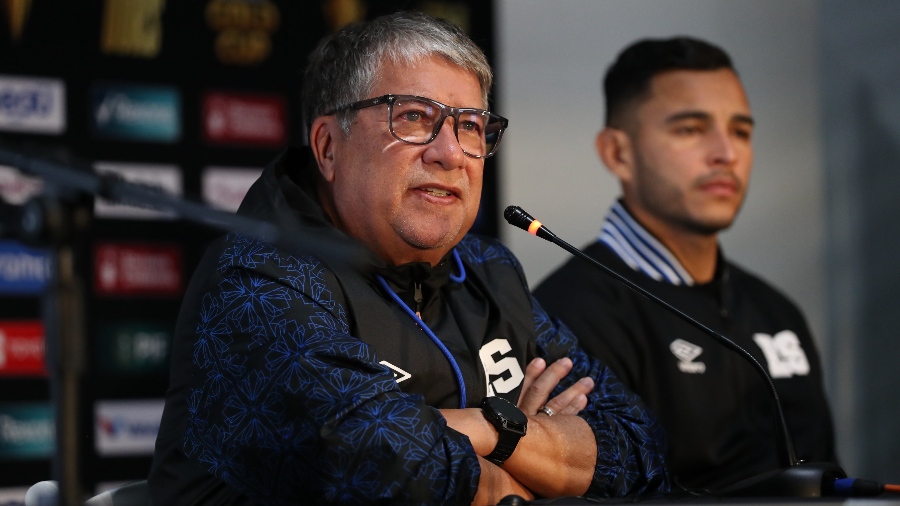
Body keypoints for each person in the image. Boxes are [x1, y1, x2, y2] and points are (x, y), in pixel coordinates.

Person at [148, 12, 669, 505]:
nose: (449, 153)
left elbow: (638, 451)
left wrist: (476, 434)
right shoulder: (255, 278)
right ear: (328, 147)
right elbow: (384, 464)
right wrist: (515, 432)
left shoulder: (489, 270)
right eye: (415, 117)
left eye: (469, 125)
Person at [534, 36, 837, 492]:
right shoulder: (567, 312)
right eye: (691, 129)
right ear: (618, 153)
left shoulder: (777, 310)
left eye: (741, 132)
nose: (726, 153)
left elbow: (831, 480)